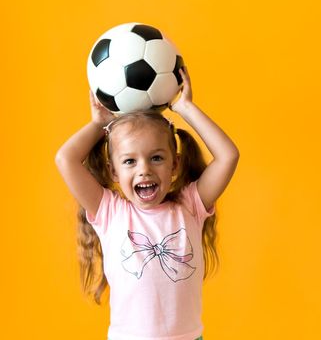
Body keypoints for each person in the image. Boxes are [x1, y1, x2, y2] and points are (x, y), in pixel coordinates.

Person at [55, 66, 239, 340]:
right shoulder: (110, 212)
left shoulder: (190, 205)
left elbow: (228, 156)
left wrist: (186, 108)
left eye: (156, 158)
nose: (144, 170)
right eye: (130, 161)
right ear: (114, 172)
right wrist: (97, 125)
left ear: (175, 163)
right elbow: (65, 159)